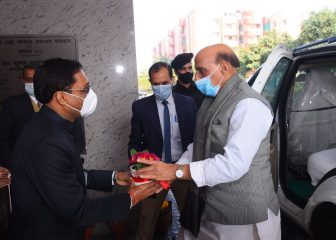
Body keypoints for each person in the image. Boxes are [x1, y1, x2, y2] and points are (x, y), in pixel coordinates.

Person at [136, 44, 281, 240]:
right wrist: (171, 171)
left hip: (243, 215)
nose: (196, 78)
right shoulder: (211, 100)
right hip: (210, 205)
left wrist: (177, 171)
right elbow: (199, 143)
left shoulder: (249, 105)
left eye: (201, 71)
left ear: (224, 67)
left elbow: (233, 165)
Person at [9, 58, 162, 240]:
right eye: (85, 90)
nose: (90, 95)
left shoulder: (50, 125)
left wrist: (116, 177)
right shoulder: (47, 141)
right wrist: (132, 197)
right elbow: (78, 211)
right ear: (61, 97)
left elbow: (67, 175)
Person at [128, 62, 197, 240]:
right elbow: (135, 140)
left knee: (189, 216)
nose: (160, 88)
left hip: (182, 168)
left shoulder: (188, 103)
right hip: (155, 169)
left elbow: (196, 137)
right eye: (156, 84)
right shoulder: (141, 107)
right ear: (150, 82)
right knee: (147, 217)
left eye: (165, 83)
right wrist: (137, 165)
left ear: (172, 80)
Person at [0, 65, 38, 168]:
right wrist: (10, 166)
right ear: (23, 80)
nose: (33, 83)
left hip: (50, 166)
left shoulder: (54, 101)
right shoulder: (12, 104)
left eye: (36, 79)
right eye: (28, 80)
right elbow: (3, 139)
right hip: (22, 166)